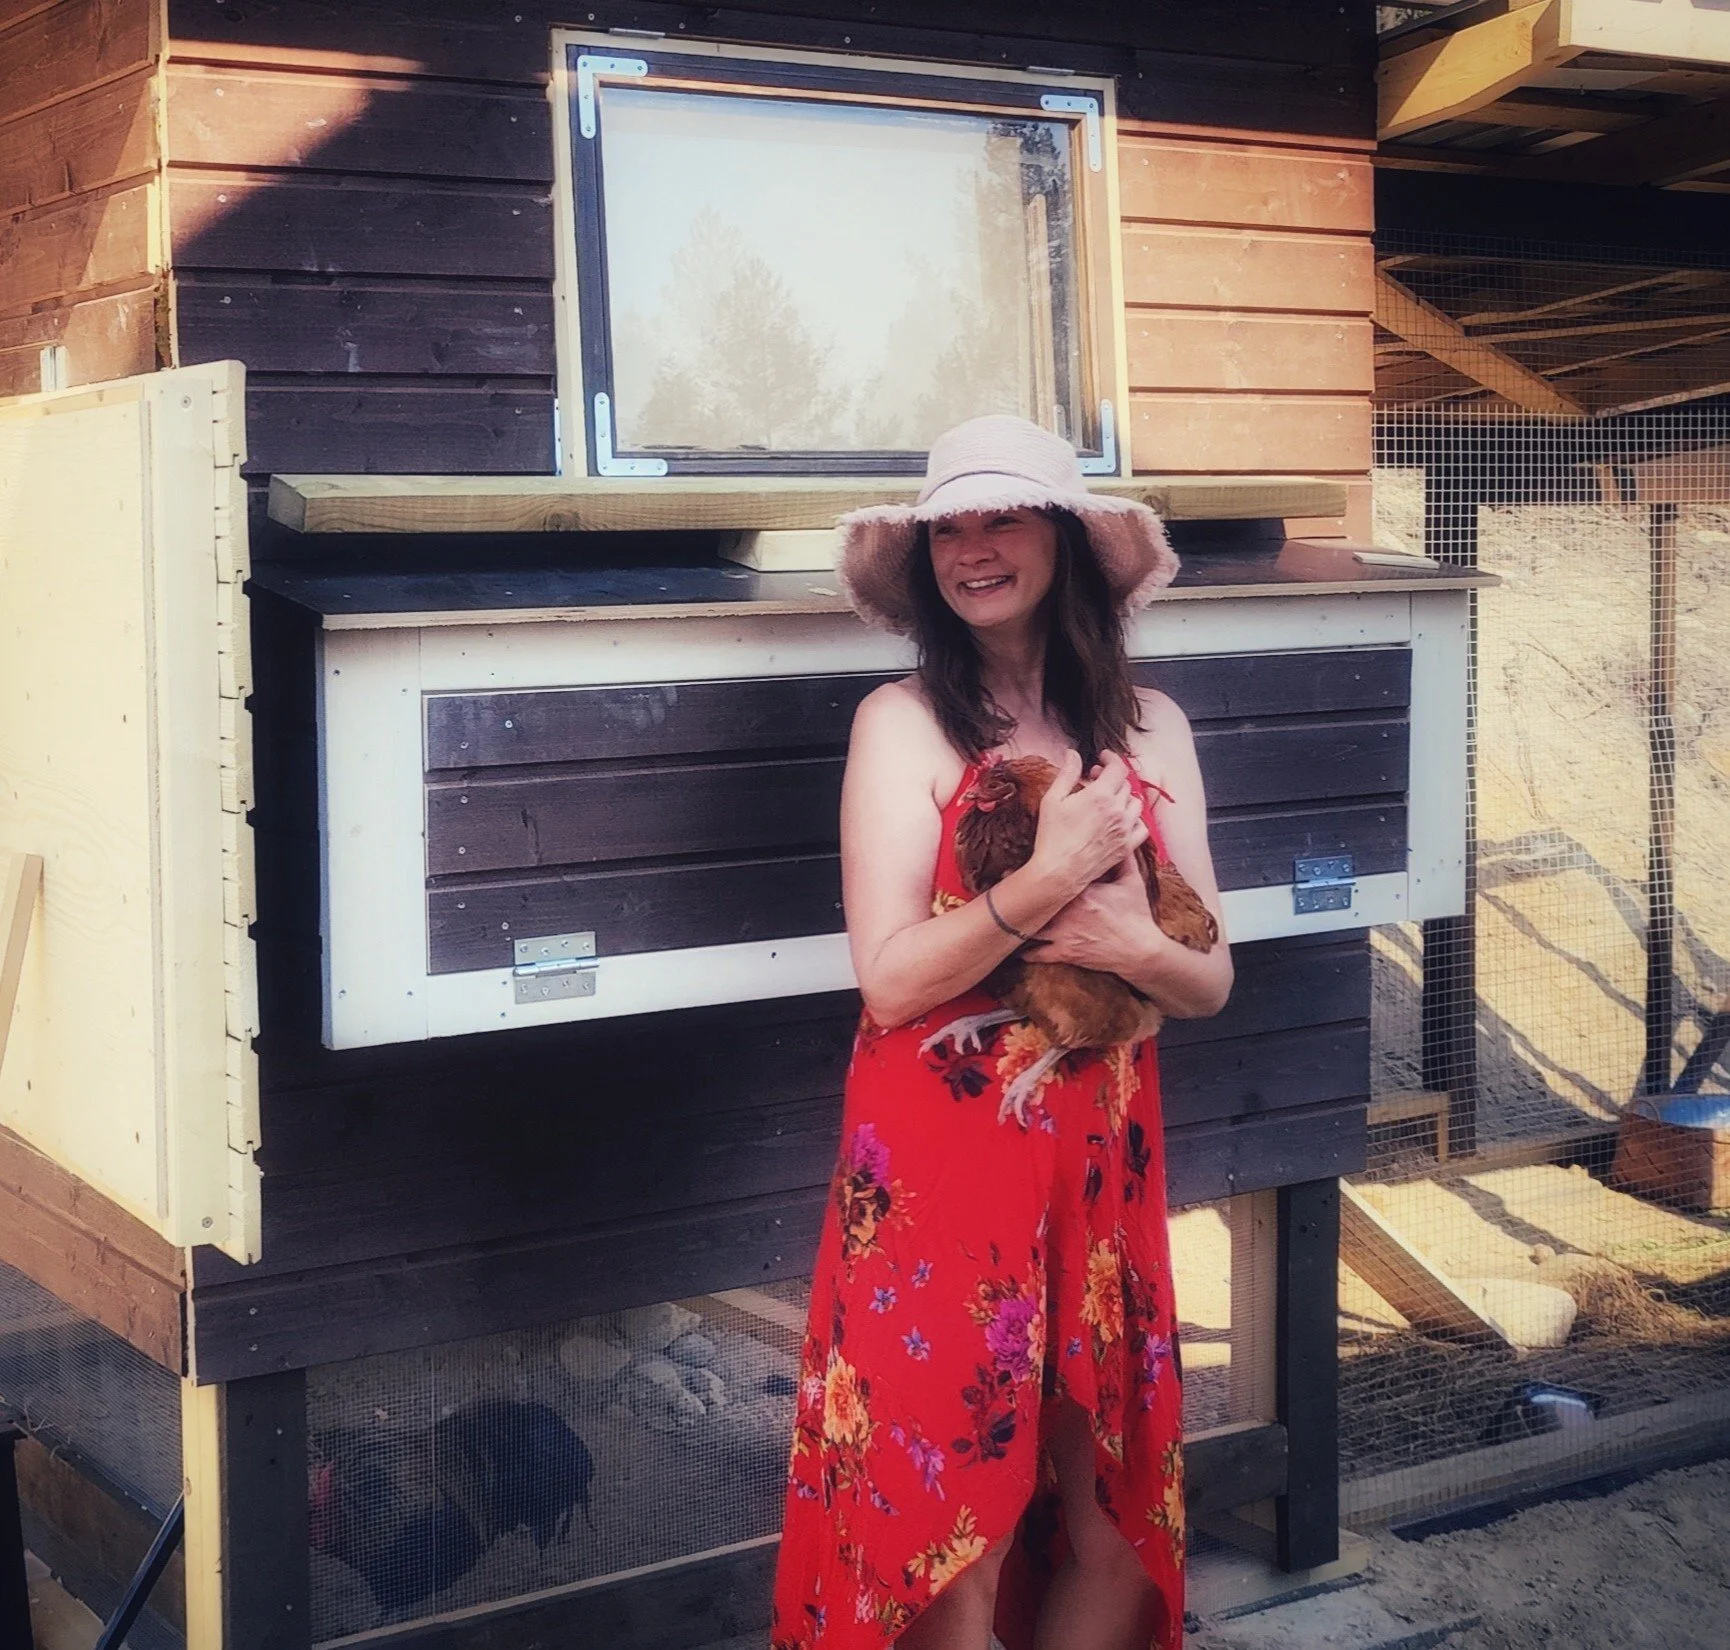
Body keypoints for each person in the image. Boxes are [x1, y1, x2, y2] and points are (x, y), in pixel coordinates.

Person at [770, 415, 1234, 1650]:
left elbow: (1208, 982)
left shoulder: (1151, 729)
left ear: (1064, 540)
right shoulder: (902, 723)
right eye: (948, 532)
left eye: (1002, 521)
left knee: (1109, 1515)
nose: (972, 550)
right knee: (947, 1524)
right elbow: (888, 984)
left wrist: (1130, 944)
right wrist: (1052, 878)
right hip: (944, 1166)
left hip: (1100, 1155)